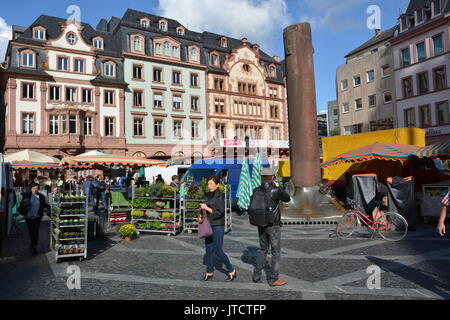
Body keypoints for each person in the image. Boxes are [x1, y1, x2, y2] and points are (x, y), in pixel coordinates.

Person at [250, 167, 291, 287]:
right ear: (272, 177)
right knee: (275, 252)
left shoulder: (256, 190)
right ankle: (273, 279)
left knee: (263, 249)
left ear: (261, 177)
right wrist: (278, 186)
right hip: (273, 225)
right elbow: (287, 198)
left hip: (260, 224)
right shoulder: (275, 190)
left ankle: (256, 275)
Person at [199, 176, 236, 282]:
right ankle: (209, 272)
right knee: (208, 250)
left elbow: (220, 212)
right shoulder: (206, 195)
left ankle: (231, 269)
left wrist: (206, 208)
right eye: (208, 184)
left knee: (218, 250)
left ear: (217, 185)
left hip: (217, 225)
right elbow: (203, 208)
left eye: (211, 184)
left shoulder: (220, 196)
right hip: (208, 224)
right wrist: (201, 214)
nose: (209, 186)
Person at [18, 183, 50, 254]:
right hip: (28, 216)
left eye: (37, 188)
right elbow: (22, 202)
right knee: (30, 231)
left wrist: (48, 208)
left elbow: (44, 205)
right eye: (34, 188)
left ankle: (34, 244)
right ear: (31, 188)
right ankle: (33, 243)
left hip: (37, 216)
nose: (35, 190)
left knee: (35, 230)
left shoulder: (41, 196)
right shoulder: (27, 195)